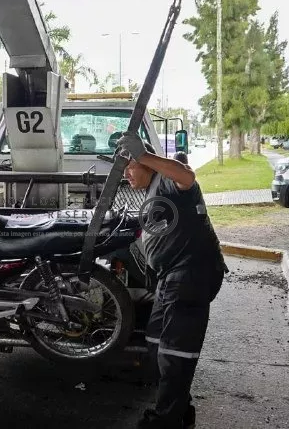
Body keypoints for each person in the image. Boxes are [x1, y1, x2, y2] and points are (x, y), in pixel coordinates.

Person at [117, 130, 227, 429]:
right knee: (155, 340)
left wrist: (143, 155)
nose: (127, 172)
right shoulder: (153, 189)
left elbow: (186, 175)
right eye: (125, 166)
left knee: (176, 351)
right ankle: (180, 406)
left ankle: (168, 420)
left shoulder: (168, 180)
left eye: (130, 165)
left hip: (192, 273)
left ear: (148, 164)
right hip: (171, 277)